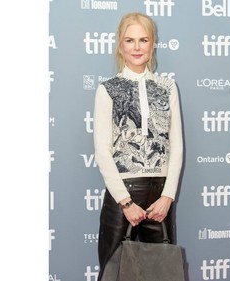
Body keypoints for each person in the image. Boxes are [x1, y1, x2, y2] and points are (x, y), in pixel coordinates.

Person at [93, 12, 183, 280]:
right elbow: (102, 151)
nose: (136, 47)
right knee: (114, 273)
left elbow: (176, 145)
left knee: (159, 273)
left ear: (153, 43)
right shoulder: (108, 89)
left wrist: (167, 197)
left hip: (160, 200)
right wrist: (126, 202)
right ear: (120, 45)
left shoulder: (168, 87)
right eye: (129, 40)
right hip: (124, 197)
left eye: (143, 40)